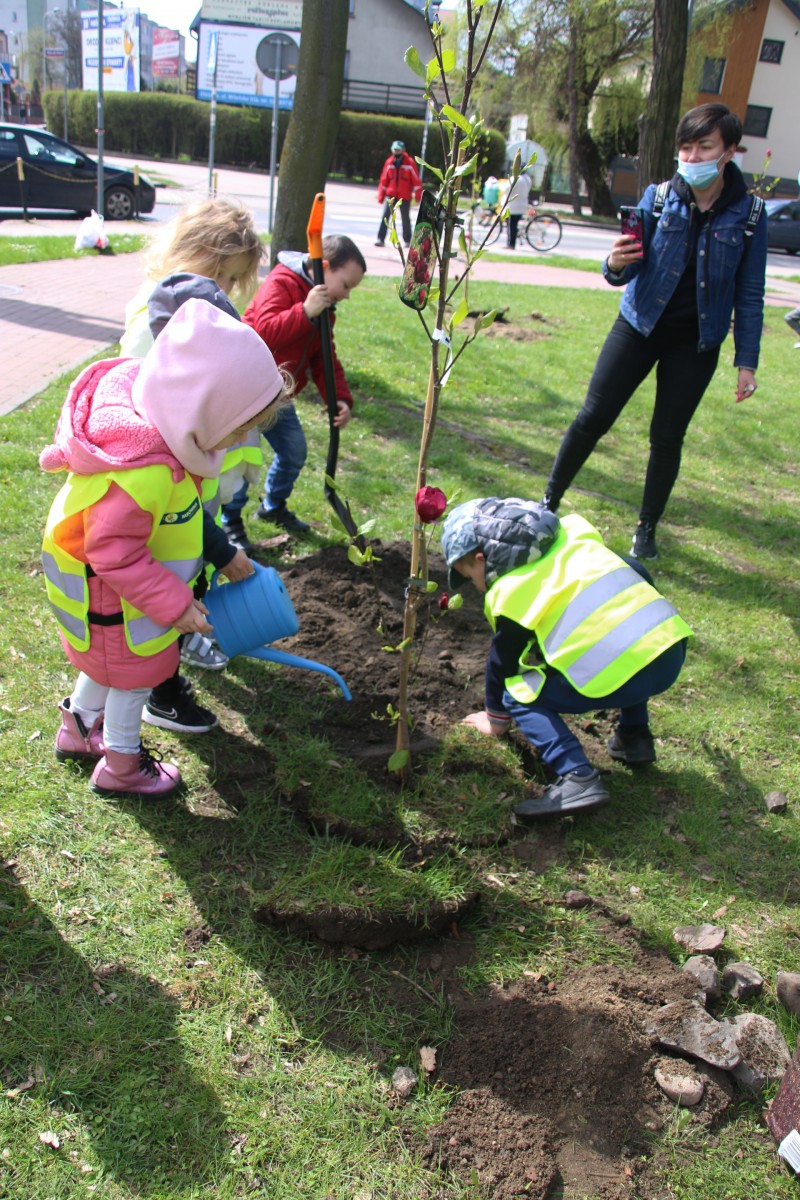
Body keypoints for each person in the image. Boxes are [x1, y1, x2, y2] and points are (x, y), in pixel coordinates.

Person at [41, 301, 291, 801]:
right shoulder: (147, 472)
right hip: (117, 598)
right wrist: (175, 604)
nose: (242, 438)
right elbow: (112, 550)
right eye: (238, 427)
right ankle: (121, 767)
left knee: (107, 669)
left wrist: (219, 554)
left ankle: (77, 729)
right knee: (133, 680)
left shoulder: (169, 442)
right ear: (202, 407)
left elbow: (181, 515)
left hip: (121, 594)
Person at [543, 103, 768, 561]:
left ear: (728, 151)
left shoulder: (750, 215)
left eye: (704, 146)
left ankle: (646, 528)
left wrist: (747, 361)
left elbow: (750, 292)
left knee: (666, 438)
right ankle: (548, 501)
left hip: (696, 343)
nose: (692, 156)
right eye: (686, 147)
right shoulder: (659, 197)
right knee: (593, 416)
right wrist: (613, 263)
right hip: (638, 326)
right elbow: (624, 269)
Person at [441, 496, 692, 819]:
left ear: (482, 559)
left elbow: (501, 662)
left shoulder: (513, 589)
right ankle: (634, 736)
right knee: (625, 648)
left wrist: (495, 718)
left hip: (624, 672)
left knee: (518, 694)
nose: (476, 587)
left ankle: (577, 775)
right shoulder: (575, 542)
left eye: (469, 576)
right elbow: (638, 570)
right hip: (668, 649)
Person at [221, 234, 366, 541]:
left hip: (279, 397)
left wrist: (340, 398)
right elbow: (263, 332)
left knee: (294, 451)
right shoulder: (282, 282)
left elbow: (324, 357)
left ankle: (273, 506)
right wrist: (304, 311)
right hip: (247, 392)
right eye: (346, 285)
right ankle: (230, 522)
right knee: (242, 461)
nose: (347, 295)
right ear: (324, 268)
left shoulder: (324, 307)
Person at [375, 140, 423, 248]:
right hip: (391, 195)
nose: (396, 152)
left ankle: (407, 240)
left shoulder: (410, 163)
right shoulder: (389, 162)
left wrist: (418, 196)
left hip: (404, 196)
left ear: (403, 150)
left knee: (405, 218)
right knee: (385, 216)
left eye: (398, 150)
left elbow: (416, 180)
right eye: (395, 150)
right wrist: (381, 196)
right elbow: (384, 180)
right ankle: (380, 239)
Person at [504, 169, 532, 249]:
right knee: (514, 224)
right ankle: (512, 242)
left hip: (513, 205)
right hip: (523, 204)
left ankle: (511, 244)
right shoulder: (527, 179)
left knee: (511, 225)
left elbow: (506, 190)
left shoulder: (515, 178)